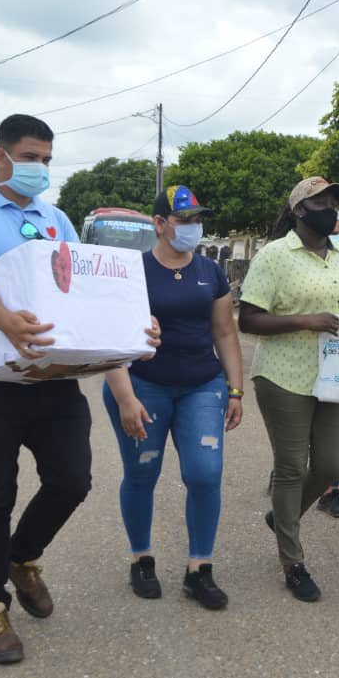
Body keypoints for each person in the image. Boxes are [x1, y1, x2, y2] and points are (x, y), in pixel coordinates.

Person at [0, 114, 159, 663]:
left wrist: (131, 336)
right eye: (31, 157)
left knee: (73, 479)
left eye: (46, 160)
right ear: (2, 156)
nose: (39, 168)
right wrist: (6, 320)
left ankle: (21, 556)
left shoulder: (57, 218)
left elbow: (86, 299)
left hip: (52, 376)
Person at [102, 186, 244, 609]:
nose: (193, 227)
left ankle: (199, 569)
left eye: (198, 218)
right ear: (159, 224)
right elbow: (111, 338)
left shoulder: (210, 271)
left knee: (204, 473)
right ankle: (141, 558)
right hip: (143, 385)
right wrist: (126, 398)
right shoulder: (132, 271)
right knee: (142, 473)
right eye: (184, 220)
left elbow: (224, 332)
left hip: (202, 384)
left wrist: (235, 388)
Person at [238, 177, 339, 602]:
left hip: (334, 374)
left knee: (331, 464)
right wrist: (305, 319)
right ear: (299, 210)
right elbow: (249, 320)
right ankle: (293, 562)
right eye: (321, 201)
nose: (331, 206)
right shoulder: (274, 256)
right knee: (292, 466)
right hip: (284, 376)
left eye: (334, 201)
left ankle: (282, 516)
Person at [316, 210, 339, 519]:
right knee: (302, 430)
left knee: (331, 432)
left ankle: (330, 491)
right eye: (336, 232)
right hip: (304, 356)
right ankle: (287, 475)